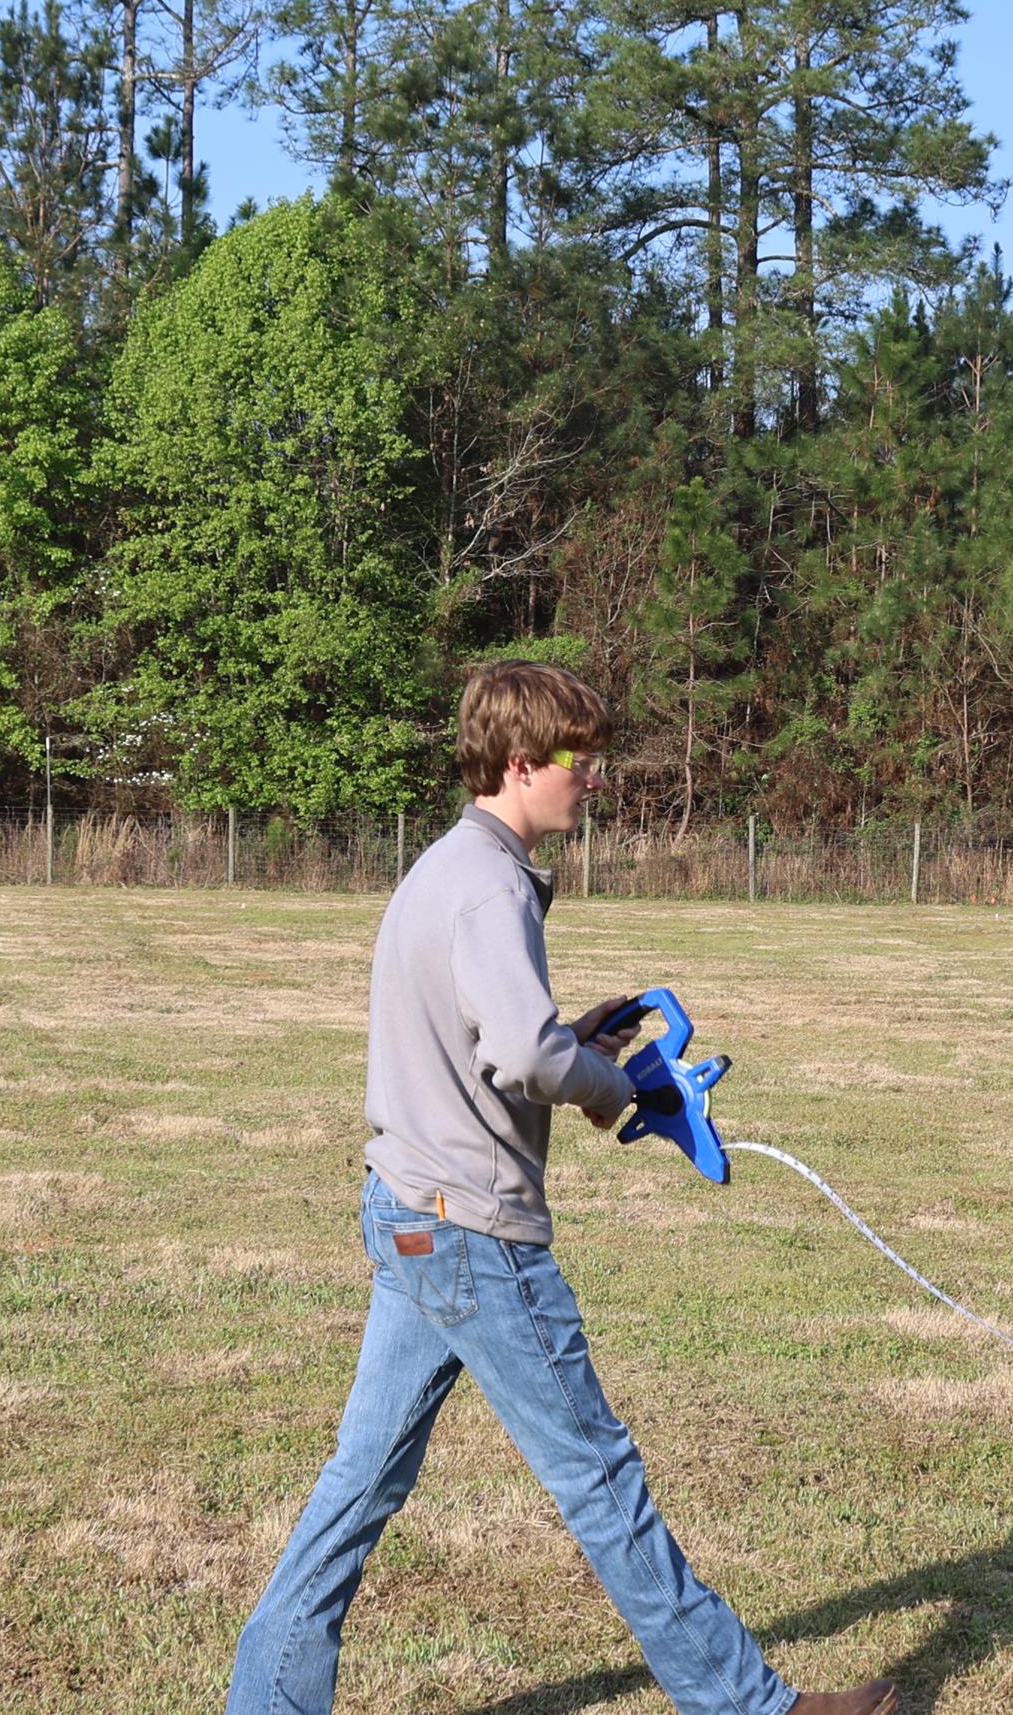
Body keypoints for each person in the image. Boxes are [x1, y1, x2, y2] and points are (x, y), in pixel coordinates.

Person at [227, 660, 895, 1715]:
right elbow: (526, 1059)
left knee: (360, 1481)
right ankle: (748, 1707)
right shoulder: (491, 886)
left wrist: (571, 1038)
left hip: (409, 1212)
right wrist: (607, 1085)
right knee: (599, 1477)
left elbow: (495, 1039)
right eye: (579, 759)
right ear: (520, 761)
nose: (594, 778)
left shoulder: (445, 867)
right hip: (472, 1233)